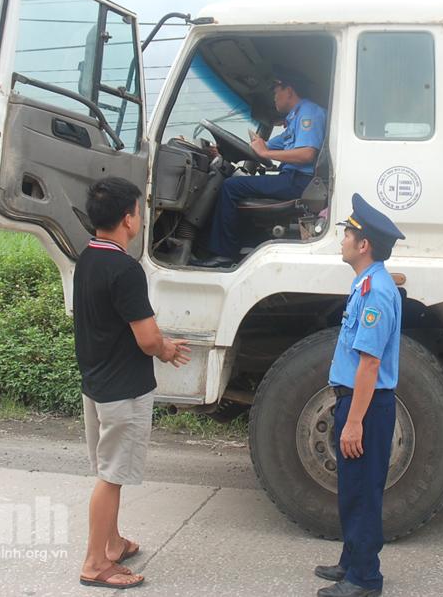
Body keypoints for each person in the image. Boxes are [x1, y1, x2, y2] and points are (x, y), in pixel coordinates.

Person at [74, 176, 191, 590]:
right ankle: (95, 564)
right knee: (112, 475)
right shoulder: (125, 268)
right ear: (128, 219)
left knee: (108, 470)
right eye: (140, 211)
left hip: (97, 383)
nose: (142, 217)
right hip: (124, 389)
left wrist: (156, 343)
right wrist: (166, 348)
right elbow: (145, 338)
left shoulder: (87, 257)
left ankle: (114, 542)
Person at [315, 194, 405, 597]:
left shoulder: (375, 293)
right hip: (357, 401)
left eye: (346, 233)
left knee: (364, 492)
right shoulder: (368, 284)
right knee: (352, 489)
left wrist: (353, 422)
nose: (343, 239)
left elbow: (369, 365)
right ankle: (352, 561)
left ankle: (365, 579)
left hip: (365, 406)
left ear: (363, 244)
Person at [198, 71, 327, 266]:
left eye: (276, 92)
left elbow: (306, 154)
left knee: (230, 187)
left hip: (299, 181)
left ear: (289, 91)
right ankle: (242, 244)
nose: (274, 97)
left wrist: (266, 154)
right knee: (235, 186)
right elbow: (261, 147)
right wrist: (221, 150)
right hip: (292, 178)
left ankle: (224, 254)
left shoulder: (309, 112)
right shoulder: (295, 118)